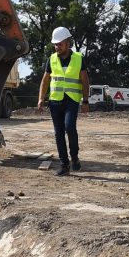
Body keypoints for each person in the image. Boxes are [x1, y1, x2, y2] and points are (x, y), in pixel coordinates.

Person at [36, 26, 90, 176]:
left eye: (60, 44)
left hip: (71, 100)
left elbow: (85, 80)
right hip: (55, 101)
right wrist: (41, 98)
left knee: (69, 127)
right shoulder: (51, 59)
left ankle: (75, 157)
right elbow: (45, 80)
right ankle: (64, 164)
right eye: (55, 44)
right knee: (58, 133)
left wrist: (85, 101)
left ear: (67, 42)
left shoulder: (79, 58)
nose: (57, 47)